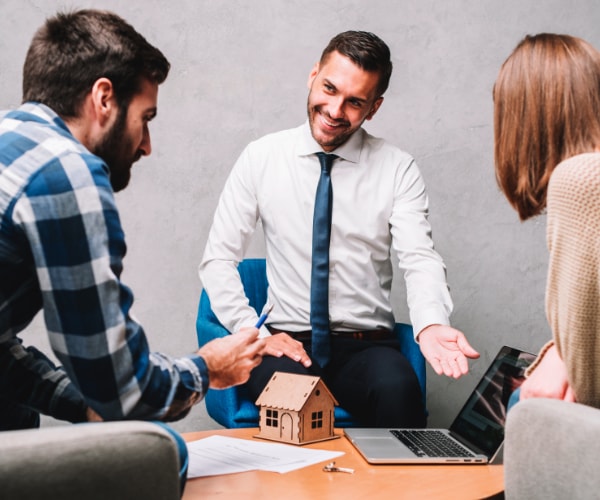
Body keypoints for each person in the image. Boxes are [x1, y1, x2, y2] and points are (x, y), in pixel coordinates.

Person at [0, 9, 264, 492]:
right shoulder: (65, 172)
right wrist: (208, 369)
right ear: (104, 98)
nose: (146, 145)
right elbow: (124, 390)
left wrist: (81, 405)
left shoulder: (11, 140)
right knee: (159, 455)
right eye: (145, 119)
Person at [199, 30, 479, 428]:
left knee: (400, 391)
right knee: (293, 411)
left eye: (354, 102)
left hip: (364, 347)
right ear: (313, 75)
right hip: (287, 343)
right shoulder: (261, 157)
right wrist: (253, 332)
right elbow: (218, 260)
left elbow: (419, 258)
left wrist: (432, 323)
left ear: (374, 107)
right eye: (329, 88)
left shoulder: (397, 168)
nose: (334, 109)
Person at [494, 33, 600, 409]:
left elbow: (589, 386)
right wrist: (560, 353)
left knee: (522, 402)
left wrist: (561, 359)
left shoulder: (581, 178)